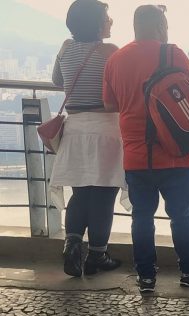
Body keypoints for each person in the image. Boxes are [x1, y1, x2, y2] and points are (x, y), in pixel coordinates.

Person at [102, 4, 189, 293]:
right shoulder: (171, 53)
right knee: (181, 215)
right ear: (160, 26)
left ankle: (146, 277)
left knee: (141, 216)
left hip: (136, 156)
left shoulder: (116, 59)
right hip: (175, 152)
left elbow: (109, 104)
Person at [50, 0, 123, 278]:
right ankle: (97, 255)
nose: (110, 21)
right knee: (104, 195)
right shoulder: (110, 52)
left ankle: (72, 243)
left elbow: (58, 81)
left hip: (75, 129)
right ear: (95, 22)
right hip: (105, 129)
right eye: (106, 16)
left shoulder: (65, 48)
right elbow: (121, 87)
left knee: (80, 194)